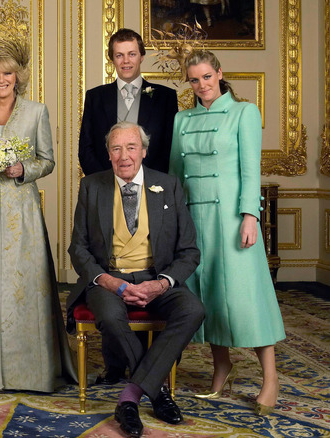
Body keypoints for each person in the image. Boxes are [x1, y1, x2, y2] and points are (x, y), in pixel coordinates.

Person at [0, 36, 74, 392]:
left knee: (26, 283)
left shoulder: (37, 111)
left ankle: (29, 372)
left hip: (22, 210)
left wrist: (24, 169)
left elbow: (47, 161)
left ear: (18, 76)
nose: (1, 80)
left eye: (7, 73)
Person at [69, 121, 205, 437]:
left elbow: (189, 251)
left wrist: (160, 284)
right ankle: (156, 393)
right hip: (109, 280)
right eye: (116, 148)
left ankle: (129, 397)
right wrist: (108, 281)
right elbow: (78, 247)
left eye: (131, 147)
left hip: (155, 278)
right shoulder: (92, 186)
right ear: (108, 154)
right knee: (110, 317)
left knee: (193, 310)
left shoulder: (168, 185)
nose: (124, 156)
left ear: (143, 151)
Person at [170, 50, 285, 416]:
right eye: (194, 79)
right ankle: (222, 366)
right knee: (206, 295)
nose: (201, 85)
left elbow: (251, 169)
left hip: (234, 219)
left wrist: (251, 215)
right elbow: (175, 175)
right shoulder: (181, 120)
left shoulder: (244, 112)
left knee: (246, 298)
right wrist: (173, 222)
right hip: (194, 220)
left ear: (219, 73)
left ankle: (271, 379)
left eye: (207, 76)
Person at [78, 28, 178, 176]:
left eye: (132, 54)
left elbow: (170, 148)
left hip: (152, 187)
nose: (126, 61)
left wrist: (150, 181)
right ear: (112, 59)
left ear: (141, 56)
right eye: (119, 55)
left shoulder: (165, 97)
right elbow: (86, 149)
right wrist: (104, 182)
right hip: (106, 187)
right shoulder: (95, 97)